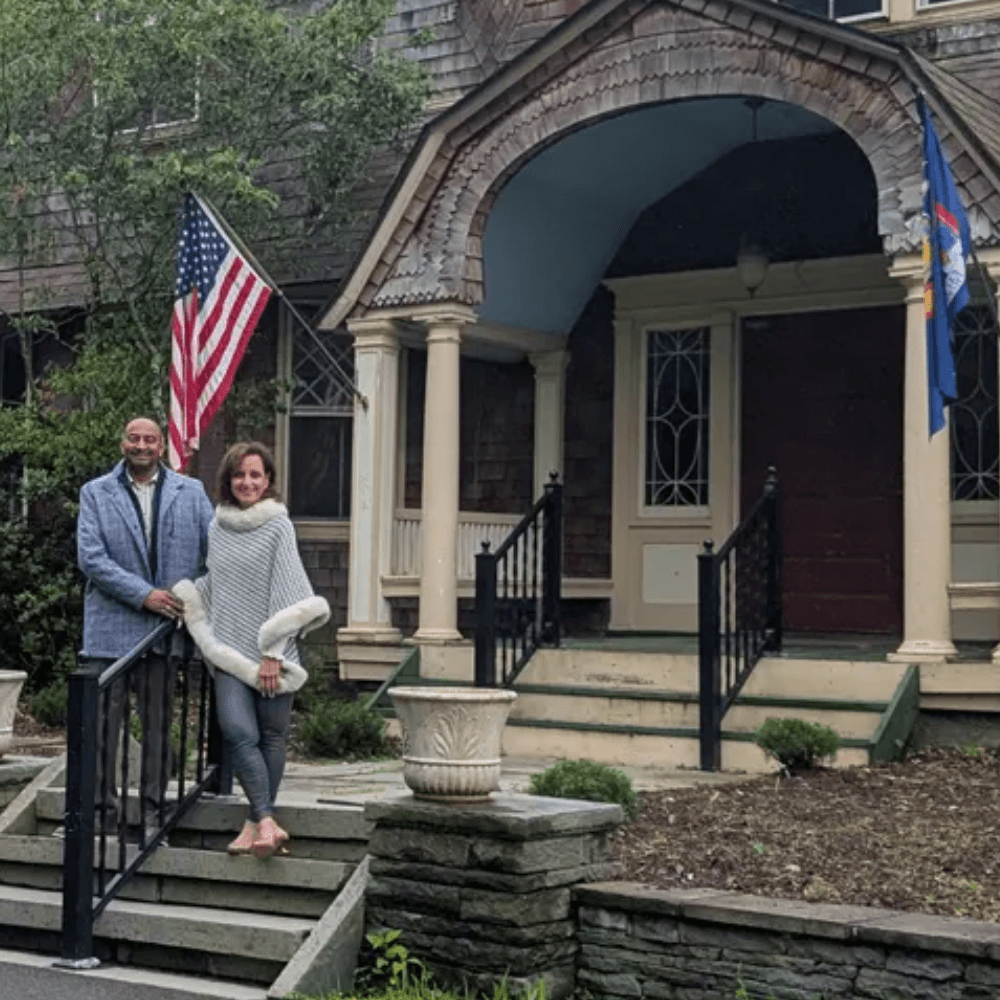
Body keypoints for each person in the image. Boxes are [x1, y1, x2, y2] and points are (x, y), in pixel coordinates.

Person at [172, 442, 328, 859]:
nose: (247, 482)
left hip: (274, 654)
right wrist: (189, 596)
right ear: (228, 480)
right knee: (239, 732)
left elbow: (290, 590)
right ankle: (267, 820)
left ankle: (254, 824)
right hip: (230, 650)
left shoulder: (279, 526)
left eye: (256, 475)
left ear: (268, 481)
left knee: (272, 738)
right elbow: (218, 581)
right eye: (240, 475)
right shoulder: (218, 527)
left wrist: (274, 651)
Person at [77, 416, 214, 829]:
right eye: (134, 438)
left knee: (158, 726)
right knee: (102, 729)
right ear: (123, 443)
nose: (141, 445)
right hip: (110, 632)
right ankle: (101, 815)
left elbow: (214, 554)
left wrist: (191, 598)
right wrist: (145, 595)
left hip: (164, 631)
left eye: (149, 439)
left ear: (161, 446)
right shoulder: (96, 493)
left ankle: (155, 811)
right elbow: (92, 559)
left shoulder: (191, 493)